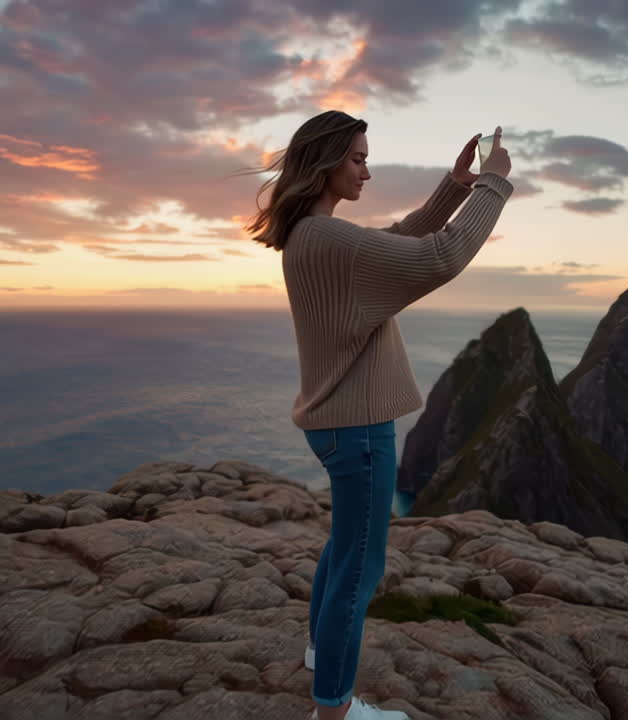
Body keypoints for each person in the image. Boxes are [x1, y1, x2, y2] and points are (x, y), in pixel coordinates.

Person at [241, 110, 513, 719]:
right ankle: (333, 709)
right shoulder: (331, 241)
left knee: (344, 550)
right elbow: (439, 256)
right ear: (326, 162)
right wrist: (495, 184)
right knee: (361, 569)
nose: (368, 168)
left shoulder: (311, 236)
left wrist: (453, 186)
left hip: (335, 424)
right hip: (358, 430)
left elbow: (398, 237)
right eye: (358, 158)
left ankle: (320, 658)